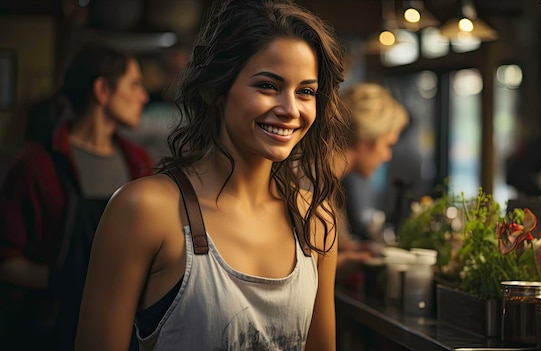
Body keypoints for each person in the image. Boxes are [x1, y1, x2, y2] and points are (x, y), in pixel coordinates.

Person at [75, 0, 348, 350]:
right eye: (267, 85)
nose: (290, 109)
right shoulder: (145, 210)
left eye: (305, 92)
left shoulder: (315, 219)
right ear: (214, 90)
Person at [0, 44, 152, 350]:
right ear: (102, 90)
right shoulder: (36, 165)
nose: (144, 96)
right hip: (51, 330)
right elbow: (5, 260)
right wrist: (65, 281)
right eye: (134, 84)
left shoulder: (138, 163)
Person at [333, 83, 409, 283]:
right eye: (388, 145)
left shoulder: (330, 185)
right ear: (366, 139)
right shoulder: (312, 187)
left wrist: (352, 250)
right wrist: (343, 263)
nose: (387, 156)